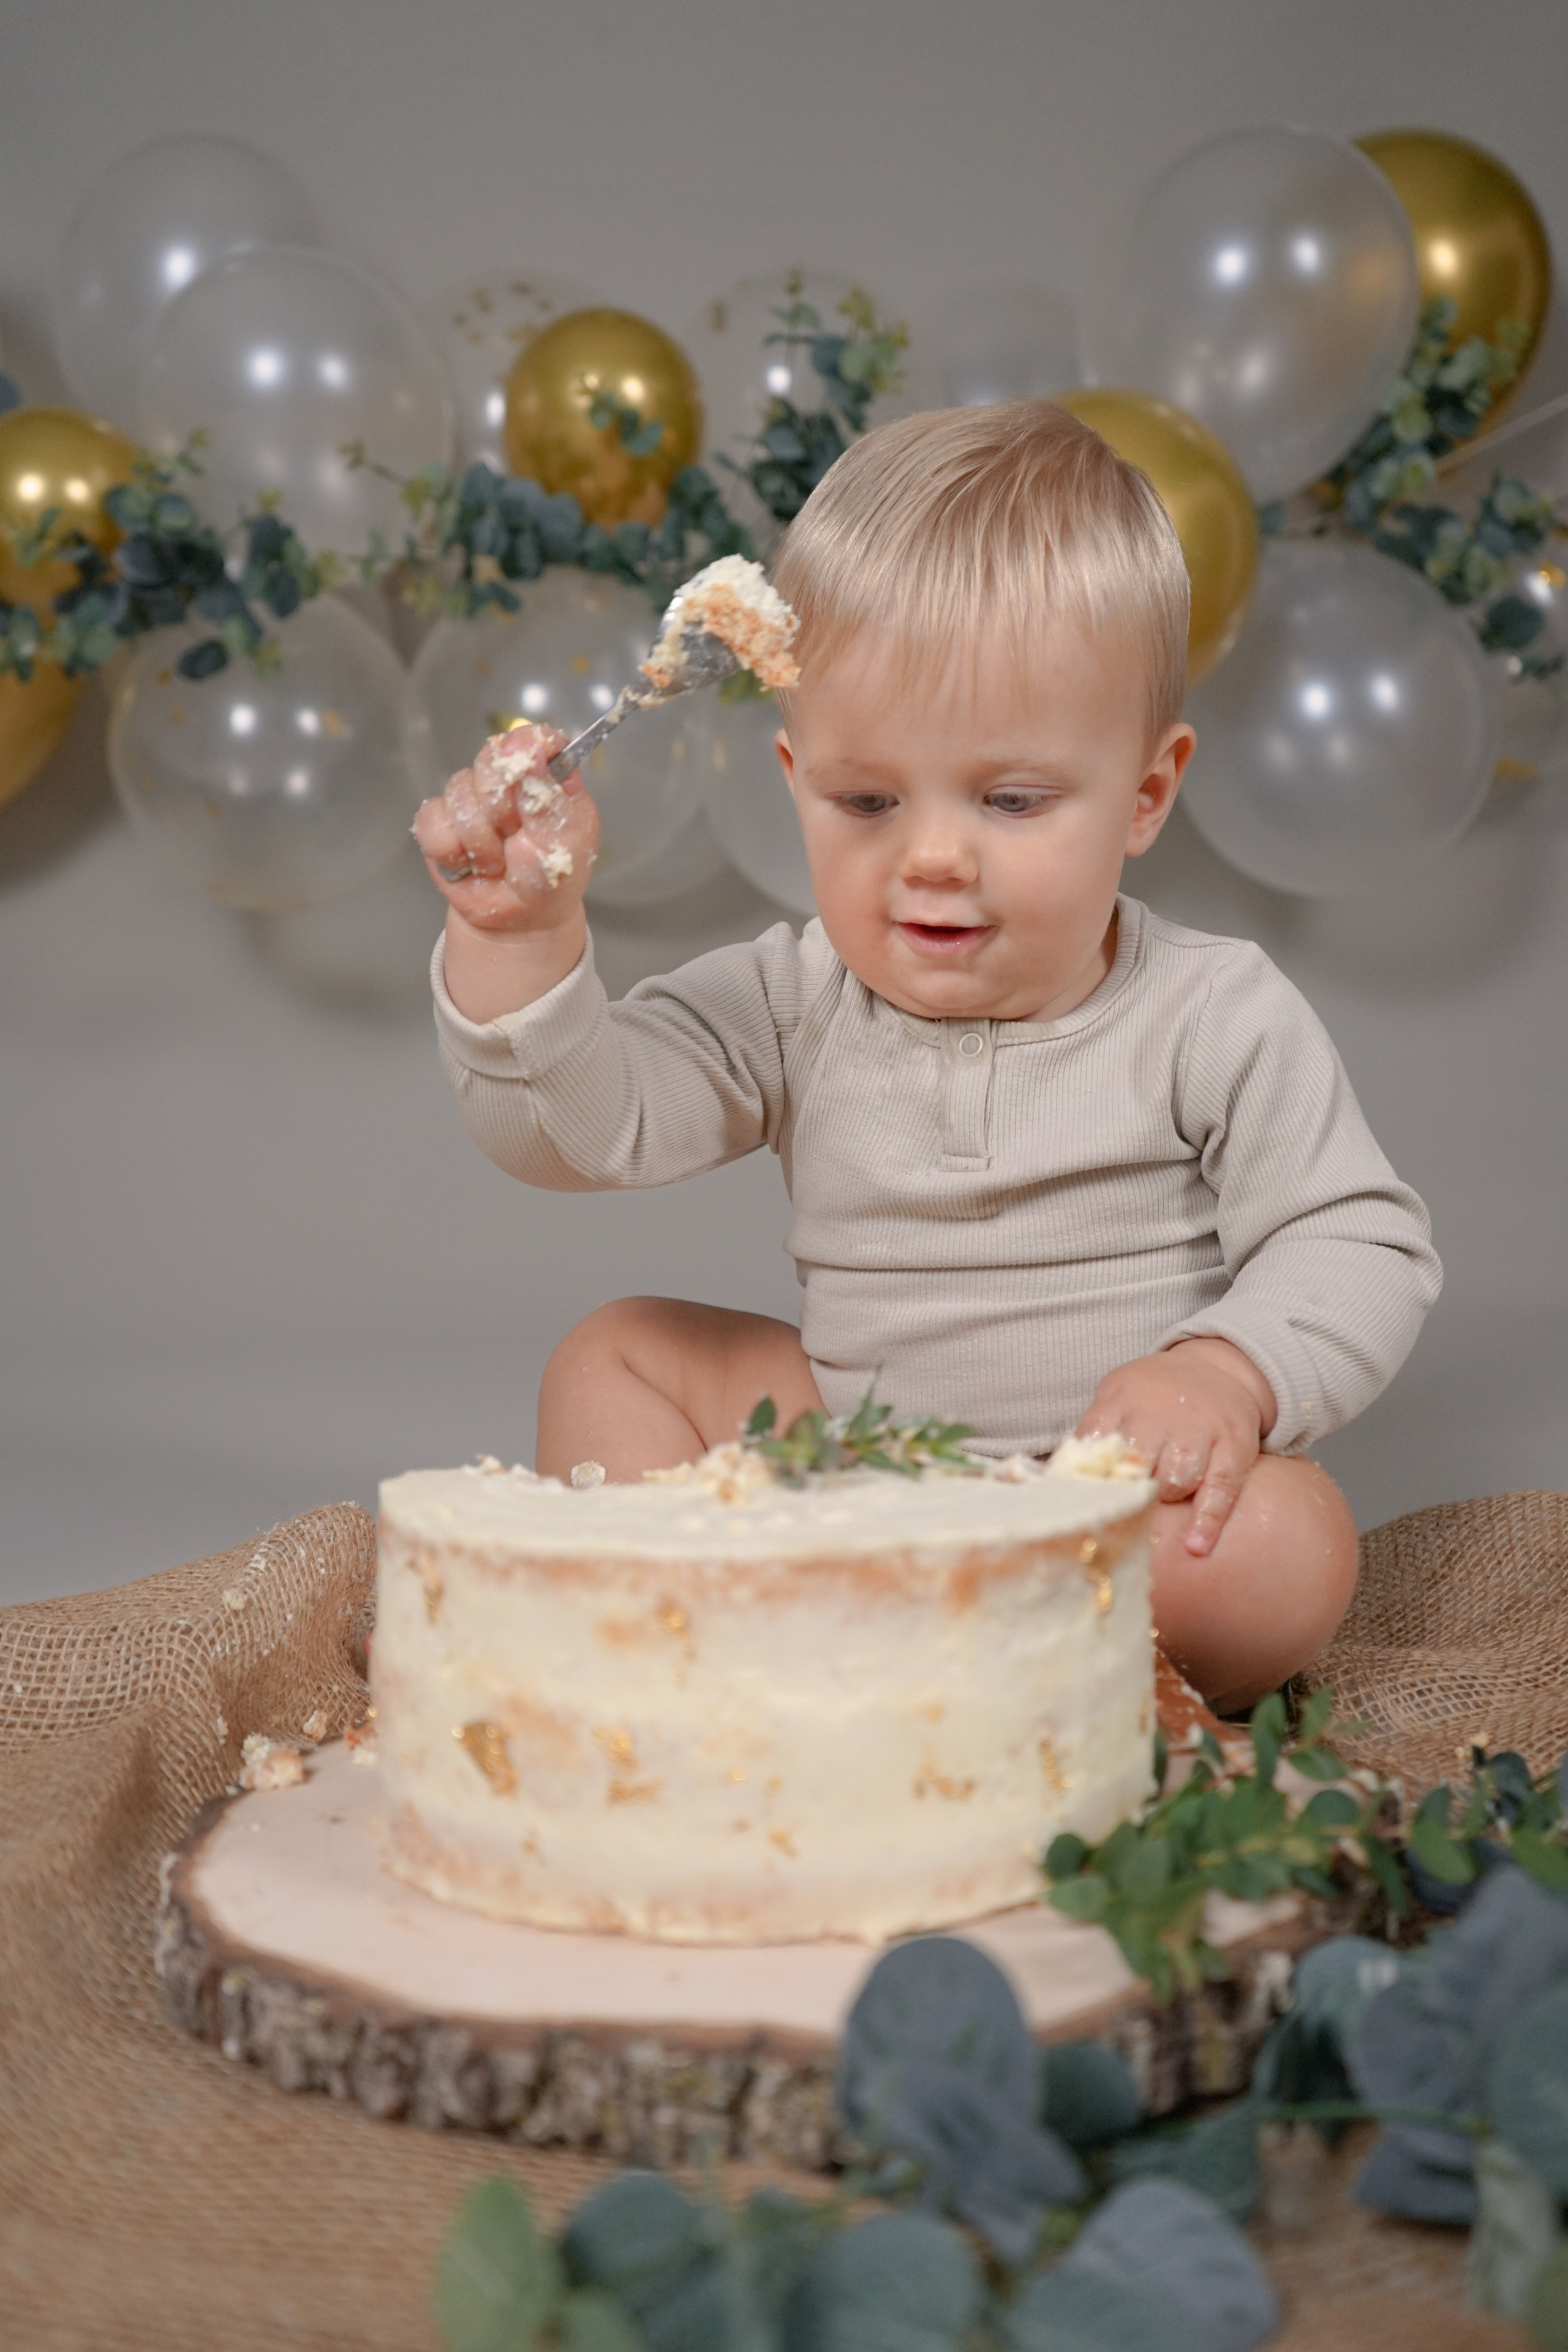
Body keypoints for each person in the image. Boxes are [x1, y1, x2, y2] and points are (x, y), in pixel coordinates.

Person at [412, 401, 1440, 1713]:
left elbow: (1360, 1241)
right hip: (853, 1470)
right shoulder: (793, 1001)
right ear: (795, 777)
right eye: (866, 801)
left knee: (1287, 1549)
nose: (933, 855)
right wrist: (526, 939)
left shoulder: (1213, 1013)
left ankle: (862, 1644)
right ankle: (747, 1627)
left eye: (1009, 800)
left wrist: (1224, 1374)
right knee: (613, 1355)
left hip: (1096, 1499)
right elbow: (575, 1134)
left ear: (1144, 794)